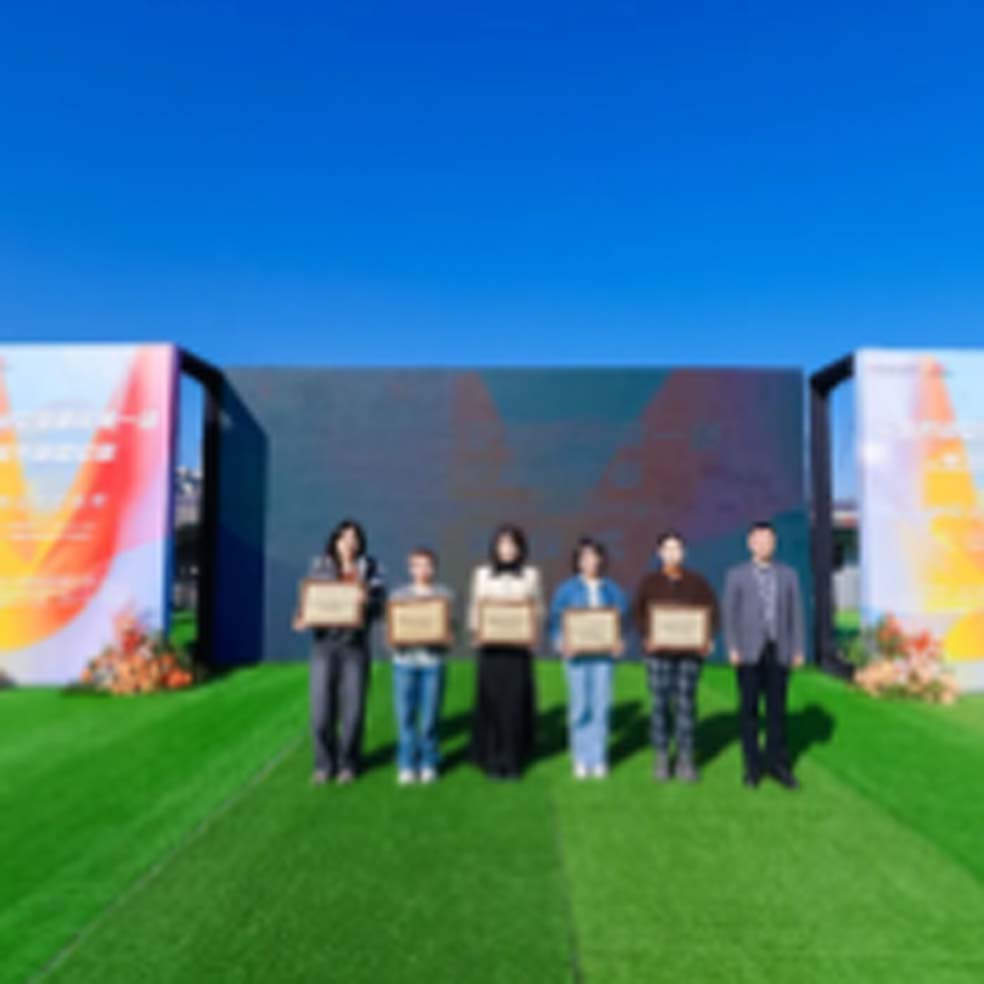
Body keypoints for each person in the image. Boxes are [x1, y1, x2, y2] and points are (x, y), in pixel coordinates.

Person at [293, 518, 386, 786]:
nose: (349, 543)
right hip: (324, 647)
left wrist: (368, 600)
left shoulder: (371, 569)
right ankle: (324, 764)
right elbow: (308, 603)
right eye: (344, 538)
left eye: (355, 538)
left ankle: (349, 763)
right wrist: (301, 617)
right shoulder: (320, 568)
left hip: (355, 648)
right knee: (321, 713)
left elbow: (381, 605)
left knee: (353, 712)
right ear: (335, 541)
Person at [723, 521, 806, 790]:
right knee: (749, 711)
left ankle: (778, 764)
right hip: (748, 652)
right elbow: (729, 614)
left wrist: (797, 648)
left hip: (778, 650)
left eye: (768, 541)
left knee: (777, 711)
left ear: (775, 544)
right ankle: (752, 767)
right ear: (750, 544)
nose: (764, 545)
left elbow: (796, 613)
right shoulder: (736, 575)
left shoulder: (788, 575)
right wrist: (732, 647)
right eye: (759, 541)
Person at [632, 532, 719, 783]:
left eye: (677, 548)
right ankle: (661, 756)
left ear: (684, 552)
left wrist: (706, 638)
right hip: (658, 654)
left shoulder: (697, 582)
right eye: (667, 549)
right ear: (660, 553)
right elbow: (637, 613)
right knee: (659, 705)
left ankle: (685, 758)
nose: (672, 553)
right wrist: (647, 636)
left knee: (686, 705)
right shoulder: (649, 582)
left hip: (689, 656)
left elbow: (712, 612)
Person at [548, 537, 628, 779]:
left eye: (594, 556)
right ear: (578, 561)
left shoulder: (612, 589)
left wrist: (619, 642)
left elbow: (622, 622)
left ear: (601, 559)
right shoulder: (566, 590)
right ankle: (581, 758)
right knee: (580, 706)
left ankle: (599, 758)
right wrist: (562, 644)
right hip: (576, 657)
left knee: (601, 706)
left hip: (603, 658)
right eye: (584, 557)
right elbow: (555, 622)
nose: (590, 561)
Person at [468, 523, 543, 779]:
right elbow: (476, 606)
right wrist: (476, 632)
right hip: (491, 648)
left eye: (512, 544)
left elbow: (537, 608)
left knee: (515, 702)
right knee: (491, 702)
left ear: (520, 548)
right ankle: (491, 758)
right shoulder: (482, 574)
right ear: (495, 547)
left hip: (518, 650)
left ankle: (512, 759)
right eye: (503, 544)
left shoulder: (531, 575)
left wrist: (533, 633)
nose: (507, 549)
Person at [389, 547, 454, 786]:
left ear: (434, 568)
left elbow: (453, 628)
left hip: (433, 663)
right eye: (416, 565)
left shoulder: (444, 595)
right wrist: (393, 639)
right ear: (410, 568)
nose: (422, 569)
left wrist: (449, 637)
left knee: (429, 718)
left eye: (427, 565)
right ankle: (406, 764)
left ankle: (429, 762)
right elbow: (390, 628)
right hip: (404, 662)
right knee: (405, 716)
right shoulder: (398, 596)